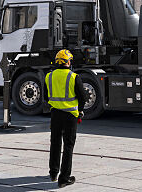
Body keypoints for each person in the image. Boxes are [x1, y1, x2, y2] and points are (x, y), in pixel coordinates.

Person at [45, 49, 80, 187]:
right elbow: (83, 97)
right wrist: (80, 110)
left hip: (55, 114)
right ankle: (64, 178)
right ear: (69, 62)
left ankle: (53, 173)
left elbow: (46, 96)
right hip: (70, 115)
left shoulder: (49, 76)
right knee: (68, 146)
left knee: (55, 142)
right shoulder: (74, 77)